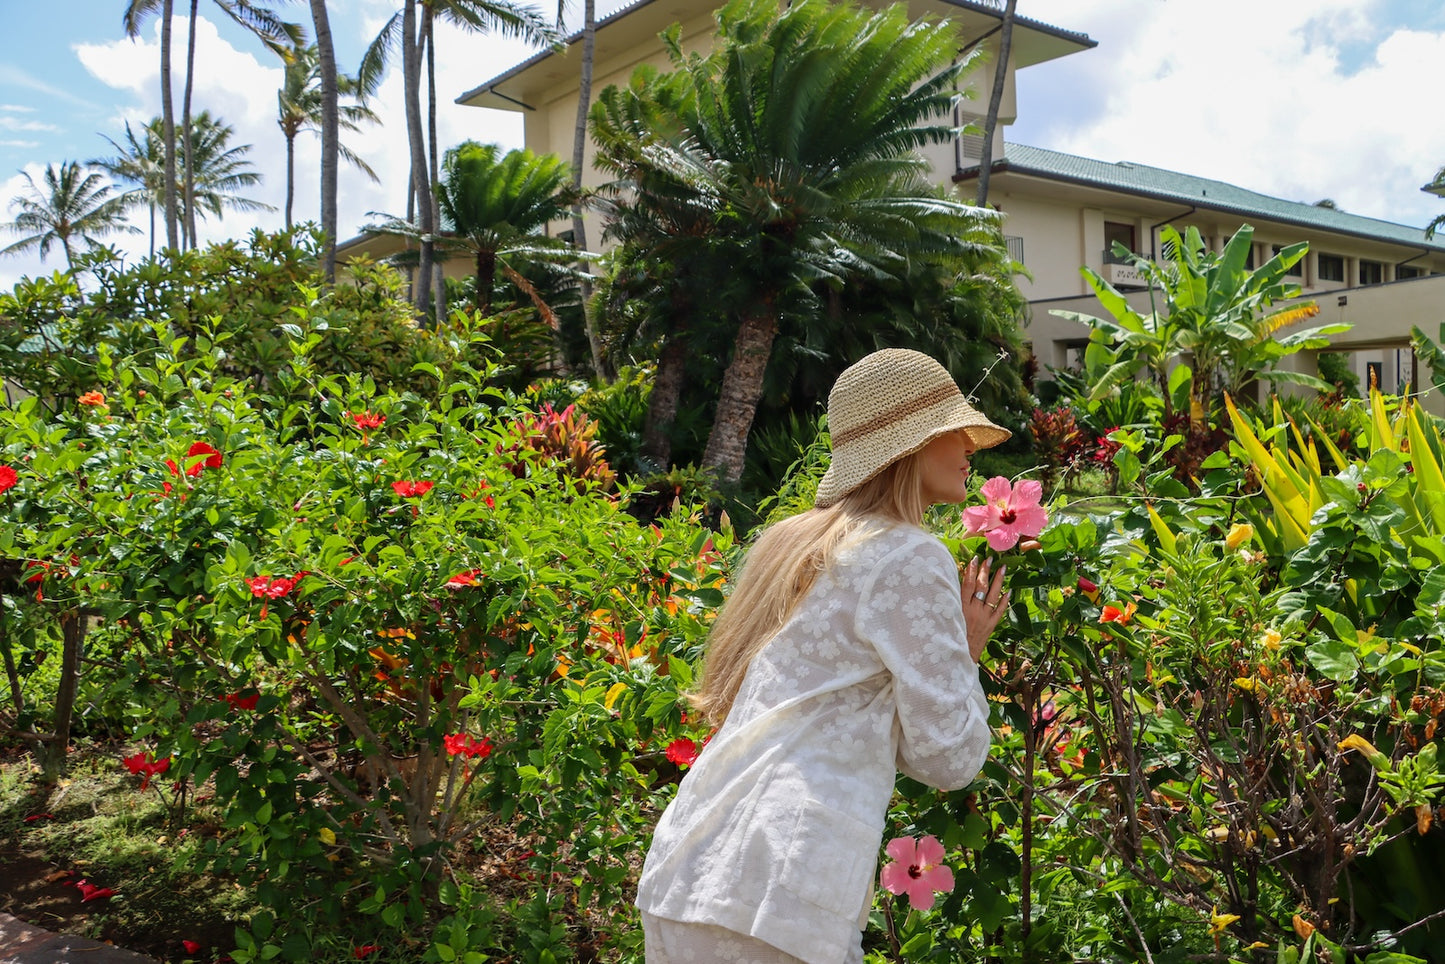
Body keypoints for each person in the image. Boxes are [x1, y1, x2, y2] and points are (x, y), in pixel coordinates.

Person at [636, 348, 1014, 963]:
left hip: (690, 862)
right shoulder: (910, 557)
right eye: (954, 429)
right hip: (784, 882)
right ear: (911, 443)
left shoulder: (795, 541)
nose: (971, 446)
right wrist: (967, 652)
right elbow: (948, 759)